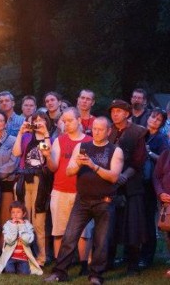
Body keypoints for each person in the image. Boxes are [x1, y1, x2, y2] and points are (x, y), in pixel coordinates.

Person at [44, 117, 124, 284]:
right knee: (70, 236)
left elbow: (114, 177)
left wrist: (93, 166)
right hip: (82, 200)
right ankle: (60, 272)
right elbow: (69, 171)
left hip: (105, 201)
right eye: (94, 128)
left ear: (109, 131)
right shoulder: (82, 147)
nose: (96, 132)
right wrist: (78, 165)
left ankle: (96, 275)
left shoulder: (115, 151)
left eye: (101, 129)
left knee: (101, 241)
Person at [43, 107, 93, 273]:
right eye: (64, 121)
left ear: (79, 120)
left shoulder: (89, 141)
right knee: (59, 230)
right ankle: (60, 264)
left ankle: (84, 265)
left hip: (82, 192)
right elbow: (53, 167)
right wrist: (48, 156)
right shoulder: (59, 140)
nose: (67, 124)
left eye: (70, 120)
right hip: (60, 190)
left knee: (84, 232)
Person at [107, 99, 147, 275]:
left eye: (118, 111)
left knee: (133, 226)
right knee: (110, 225)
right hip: (110, 186)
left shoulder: (137, 132)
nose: (115, 114)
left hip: (132, 186)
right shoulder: (108, 131)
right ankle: (108, 262)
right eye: (113, 111)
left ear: (127, 113)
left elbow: (139, 160)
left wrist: (124, 175)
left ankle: (133, 265)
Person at [12, 110, 53, 267]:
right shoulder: (27, 137)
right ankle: (26, 255)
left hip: (39, 181)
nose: (37, 122)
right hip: (24, 180)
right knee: (24, 219)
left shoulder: (44, 138)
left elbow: (46, 153)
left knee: (39, 221)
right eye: (35, 120)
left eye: (41, 120)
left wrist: (45, 134)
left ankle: (42, 257)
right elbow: (16, 152)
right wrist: (20, 133)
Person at [140, 108, 169, 268]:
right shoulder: (140, 134)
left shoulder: (161, 139)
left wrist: (149, 153)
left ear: (162, 123)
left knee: (149, 222)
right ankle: (134, 254)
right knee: (139, 220)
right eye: (152, 117)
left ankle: (147, 256)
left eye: (158, 119)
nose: (154, 120)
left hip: (151, 186)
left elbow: (164, 162)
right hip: (138, 183)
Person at [0, 109, 19, 232]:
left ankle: (4, 249)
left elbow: (13, 163)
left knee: (5, 218)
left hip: (6, 184)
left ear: (5, 123)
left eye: (0, 120)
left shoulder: (13, 140)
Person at [0, 201, 43, 275]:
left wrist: (21, 226)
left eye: (18, 212)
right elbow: (9, 241)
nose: (15, 215)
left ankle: (20, 267)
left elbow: (27, 241)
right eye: (13, 212)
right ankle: (9, 267)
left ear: (23, 214)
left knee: (24, 273)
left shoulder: (28, 226)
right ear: (10, 214)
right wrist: (14, 226)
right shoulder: (7, 225)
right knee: (9, 272)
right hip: (10, 257)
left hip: (23, 257)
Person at [153, 145, 170, 278]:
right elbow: (156, 177)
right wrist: (160, 192)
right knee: (168, 234)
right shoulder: (165, 155)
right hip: (166, 202)